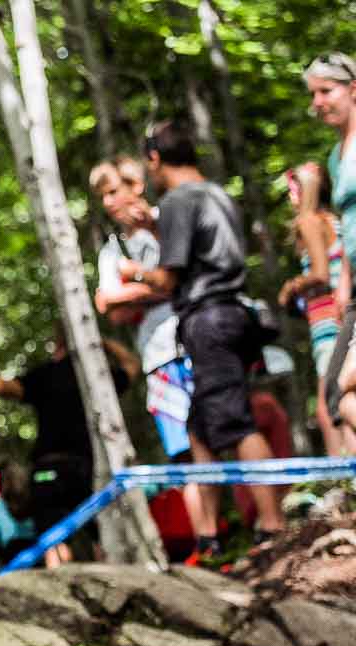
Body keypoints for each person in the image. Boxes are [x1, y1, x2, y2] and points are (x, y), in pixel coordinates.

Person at [119, 119, 287, 547]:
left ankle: (272, 526)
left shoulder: (177, 199)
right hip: (232, 315)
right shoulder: (215, 194)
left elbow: (170, 278)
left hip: (209, 319)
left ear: (155, 159)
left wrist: (132, 272)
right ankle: (209, 538)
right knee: (199, 428)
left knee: (235, 423)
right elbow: (201, 250)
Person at [90, 155, 221, 547]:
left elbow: (181, 279)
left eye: (114, 191)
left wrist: (141, 284)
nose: (109, 202)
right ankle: (207, 538)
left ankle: (243, 524)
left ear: (137, 185)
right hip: (157, 358)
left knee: (217, 439)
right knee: (183, 453)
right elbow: (107, 304)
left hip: (197, 342)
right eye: (102, 196)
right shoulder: (112, 249)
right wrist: (156, 287)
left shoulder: (168, 221)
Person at [0, 332, 134, 568]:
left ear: (58, 346)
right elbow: (132, 366)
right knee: (102, 533)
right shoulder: (98, 377)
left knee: (54, 541)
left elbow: (0, 386)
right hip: (90, 467)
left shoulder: (49, 373)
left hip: (50, 468)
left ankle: (60, 587)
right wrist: (103, 341)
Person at [278, 163, 349, 455]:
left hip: (328, 319)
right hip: (341, 315)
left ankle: (341, 477)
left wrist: (292, 287)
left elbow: (320, 274)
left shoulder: (309, 221)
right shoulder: (334, 220)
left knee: (326, 405)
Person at [305, 53, 356, 438]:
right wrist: (343, 285)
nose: (318, 102)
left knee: (343, 390)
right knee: (336, 395)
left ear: (353, 89)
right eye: (313, 94)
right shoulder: (336, 158)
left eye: (327, 91)